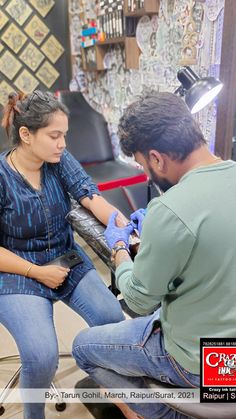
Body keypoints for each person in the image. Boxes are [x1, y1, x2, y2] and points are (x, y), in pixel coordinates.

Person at [72, 91, 236, 418]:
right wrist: (160, 237)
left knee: (83, 347)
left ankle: (158, 414)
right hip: (228, 355)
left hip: (204, 365)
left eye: (144, 165)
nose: (148, 174)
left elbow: (138, 300)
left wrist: (120, 249)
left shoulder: (170, 210)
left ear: (157, 158)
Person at [0, 90, 127, 419]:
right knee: (41, 356)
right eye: (54, 136)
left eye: (64, 136)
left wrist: (125, 229)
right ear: (26, 135)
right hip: (16, 271)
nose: (62, 144)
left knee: (111, 319)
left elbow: (89, 195)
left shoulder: (57, 159)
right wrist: (37, 272)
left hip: (64, 257)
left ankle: (110, 390)